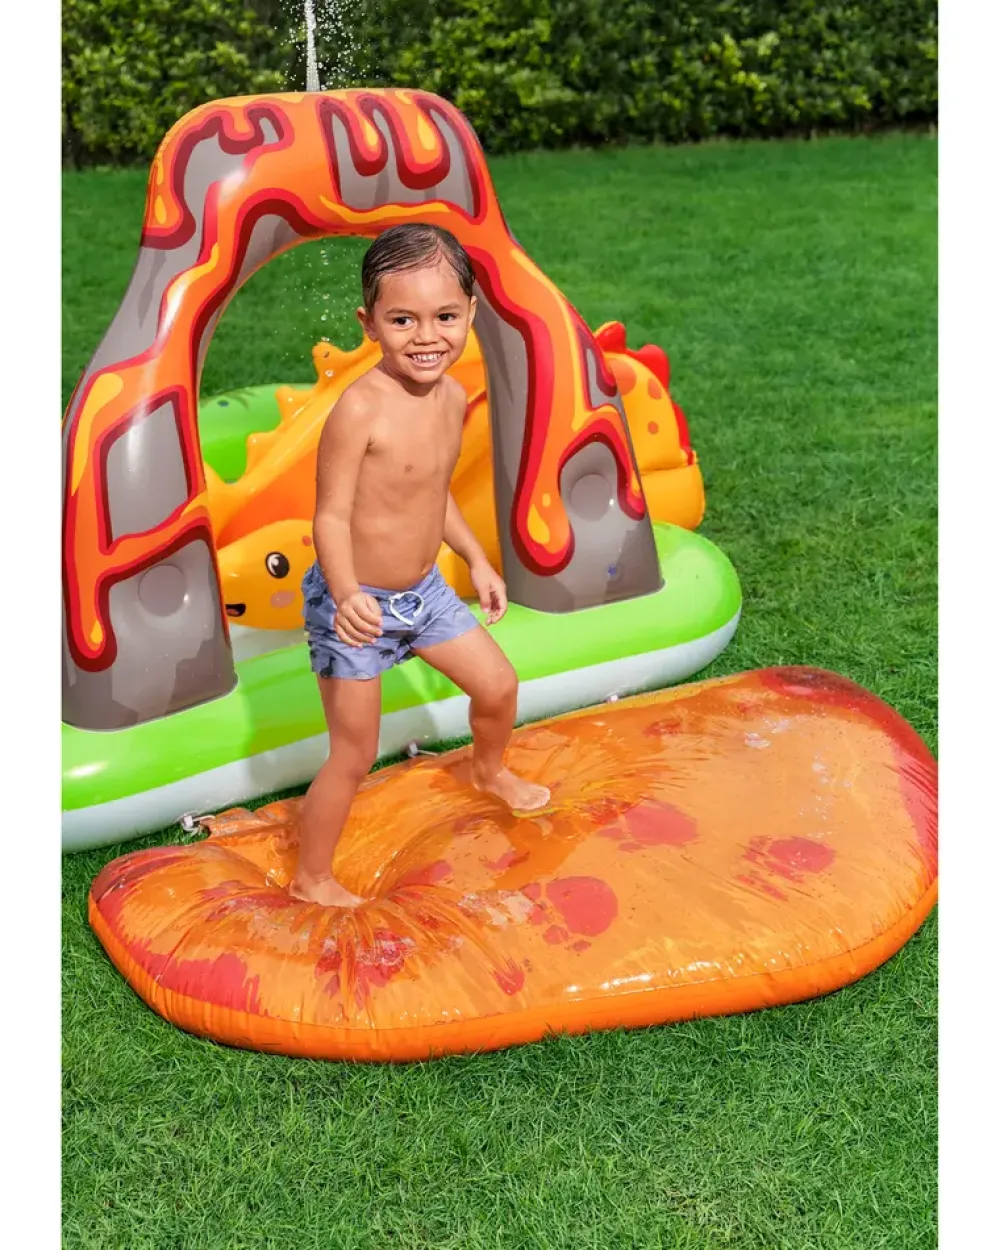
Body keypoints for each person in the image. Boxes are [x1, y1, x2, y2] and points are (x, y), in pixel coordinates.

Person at [290, 223, 550, 907]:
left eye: (445, 317)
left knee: (498, 686)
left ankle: (487, 770)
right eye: (402, 319)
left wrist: (475, 557)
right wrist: (346, 593)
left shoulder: (453, 399)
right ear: (369, 324)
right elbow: (329, 518)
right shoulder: (359, 410)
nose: (426, 336)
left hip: (425, 593)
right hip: (356, 604)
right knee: (354, 752)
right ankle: (312, 877)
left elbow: (431, 493)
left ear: (471, 313)